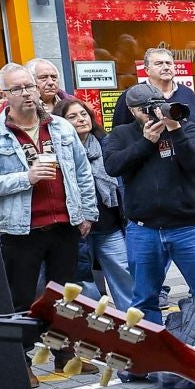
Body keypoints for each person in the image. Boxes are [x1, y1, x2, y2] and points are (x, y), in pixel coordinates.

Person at [0, 63, 97, 312]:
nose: (26, 93)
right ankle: (24, 350)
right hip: (21, 231)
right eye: (18, 88)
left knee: (64, 301)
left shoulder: (61, 126)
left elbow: (82, 171)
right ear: (4, 95)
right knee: (20, 299)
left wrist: (87, 213)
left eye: (29, 86)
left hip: (65, 226)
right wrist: (27, 177)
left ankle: (63, 351)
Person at [104, 85, 195, 326]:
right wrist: (147, 142)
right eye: (145, 109)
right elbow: (113, 166)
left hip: (188, 226)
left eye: (157, 105)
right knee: (145, 297)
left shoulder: (189, 127)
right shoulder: (121, 134)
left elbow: (194, 162)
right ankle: (154, 349)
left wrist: (175, 130)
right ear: (132, 110)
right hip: (143, 229)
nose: (153, 113)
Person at [55, 97, 135, 310]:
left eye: (83, 114)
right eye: (72, 116)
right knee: (82, 281)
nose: (81, 119)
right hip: (76, 227)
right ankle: (93, 328)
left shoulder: (106, 143)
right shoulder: (57, 152)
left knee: (124, 273)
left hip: (109, 224)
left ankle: (135, 326)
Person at [112, 48, 195, 127]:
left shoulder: (188, 93)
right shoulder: (132, 95)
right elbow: (119, 134)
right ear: (147, 70)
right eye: (159, 64)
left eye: (169, 63)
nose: (166, 67)